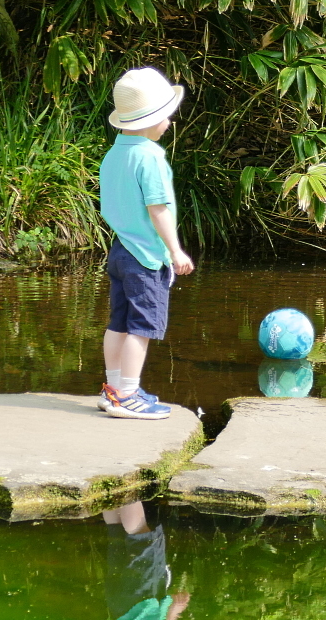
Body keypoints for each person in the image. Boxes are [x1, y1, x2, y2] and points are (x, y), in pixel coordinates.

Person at [98, 67, 195, 419]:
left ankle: (112, 389)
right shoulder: (150, 156)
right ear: (150, 120)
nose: (169, 122)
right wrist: (175, 251)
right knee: (142, 328)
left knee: (118, 323)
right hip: (146, 257)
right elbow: (158, 209)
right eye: (166, 116)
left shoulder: (114, 153)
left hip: (120, 250)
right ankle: (126, 395)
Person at [102, 501, 191, 620]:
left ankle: (128, 492)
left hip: (141, 607)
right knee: (116, 529)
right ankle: (108, 491)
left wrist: (171, 613)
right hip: (119, 610)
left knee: (141, 536)